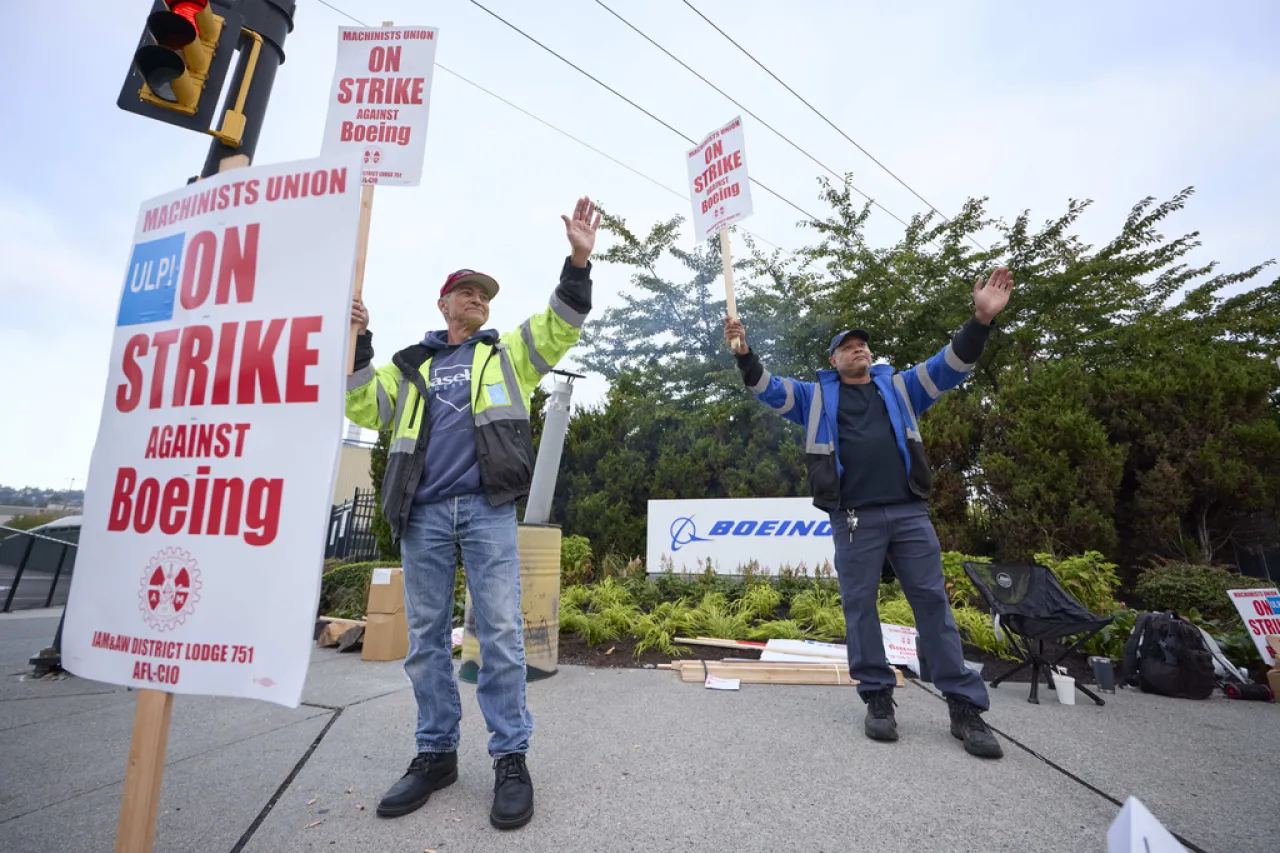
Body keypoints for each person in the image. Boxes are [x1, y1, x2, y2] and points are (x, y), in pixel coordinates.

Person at [346, 197, 602, 828]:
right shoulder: (411, 369)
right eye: (466, 293)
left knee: (503, 637)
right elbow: (359, 406)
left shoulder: (507, 353)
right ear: (443, 303)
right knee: (426, 645)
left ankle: (510, 759)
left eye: (484, 294)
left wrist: (577, 259)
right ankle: (435, 756)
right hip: (425, 514)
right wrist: (357, 343)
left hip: (487, 511)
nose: (477, 300)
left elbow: (561, 325)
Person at [723, 268, 1015, 759]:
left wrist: (981, 319)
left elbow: (950, 365)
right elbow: (768, 389)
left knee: (933, 607)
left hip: (908, 513)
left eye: (864, 345)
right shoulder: (815, 397)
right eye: (849, 346)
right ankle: (878, 699)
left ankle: (965, 709)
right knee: (860, 608)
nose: (859, 349)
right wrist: (745, 354)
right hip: (853, 517)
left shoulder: (901, 388)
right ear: (833, 359)